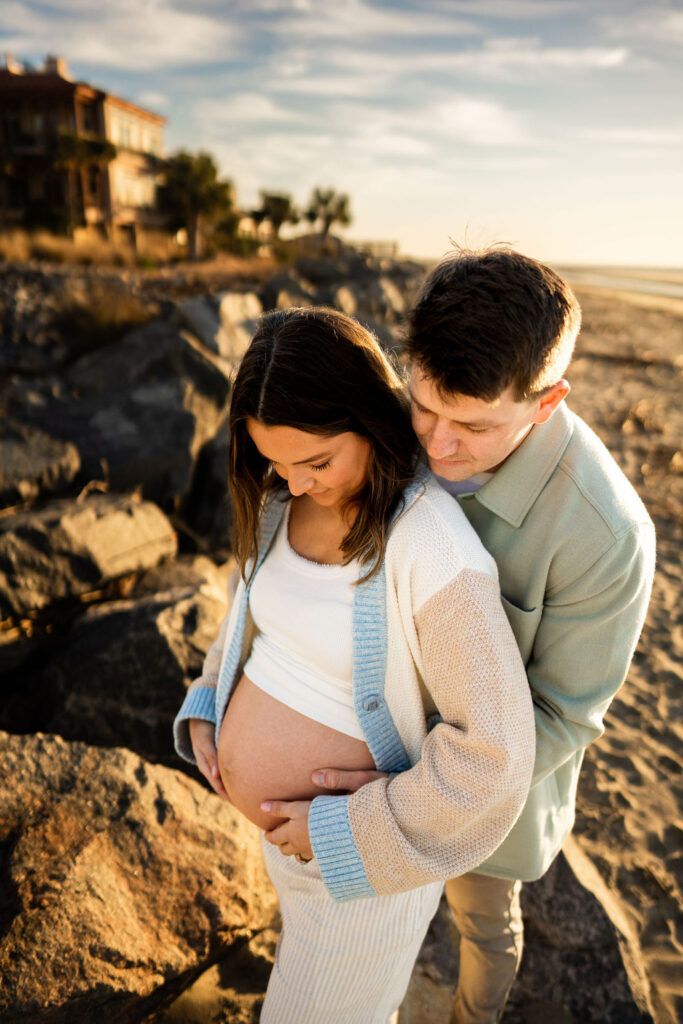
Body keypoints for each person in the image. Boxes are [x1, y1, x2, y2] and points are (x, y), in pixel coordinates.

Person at [313, 248, 656, 1024]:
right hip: (359, 740)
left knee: (484, 925)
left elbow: (564, 716)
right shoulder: (400, 422)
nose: (435, 446)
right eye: (424, 406)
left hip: (485, 789)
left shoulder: (608, 537)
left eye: (472, 426)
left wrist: (412, 788)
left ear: (545, 402)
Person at [173, 306, 536, 1024]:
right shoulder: (278, 506)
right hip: (290, 854)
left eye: (316, 462)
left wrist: (342, 833)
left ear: (371, 421)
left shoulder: (428, 544)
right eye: (274, 462)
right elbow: (245, 624)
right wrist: (209, 704)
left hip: (364, 879)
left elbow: (494, 756)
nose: (295, 483)